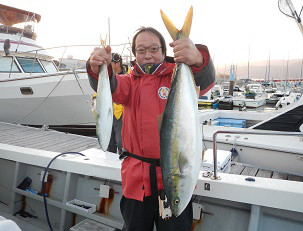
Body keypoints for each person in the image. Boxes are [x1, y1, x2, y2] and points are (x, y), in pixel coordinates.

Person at [87, 26, 215, 231]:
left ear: (164, 52)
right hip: (136, 182)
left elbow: (205, 80)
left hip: (172, 183)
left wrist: (197, 58)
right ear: (134, 54)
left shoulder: (179, 76)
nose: (148, 55)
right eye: (141, 50)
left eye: (154, 49)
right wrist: (98, 68)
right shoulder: (129, 82)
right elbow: (110, 85)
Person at [107, 53, 126, 154]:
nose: (109, 65)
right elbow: (100, 91)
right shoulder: (107, 76)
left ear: (118, 63)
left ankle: (122, 164)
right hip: (109, 113)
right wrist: (95, 98)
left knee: (121, 142)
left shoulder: (128, 75)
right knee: (109, 142)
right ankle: (108, 164)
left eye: (111, 63)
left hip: (121, 114)